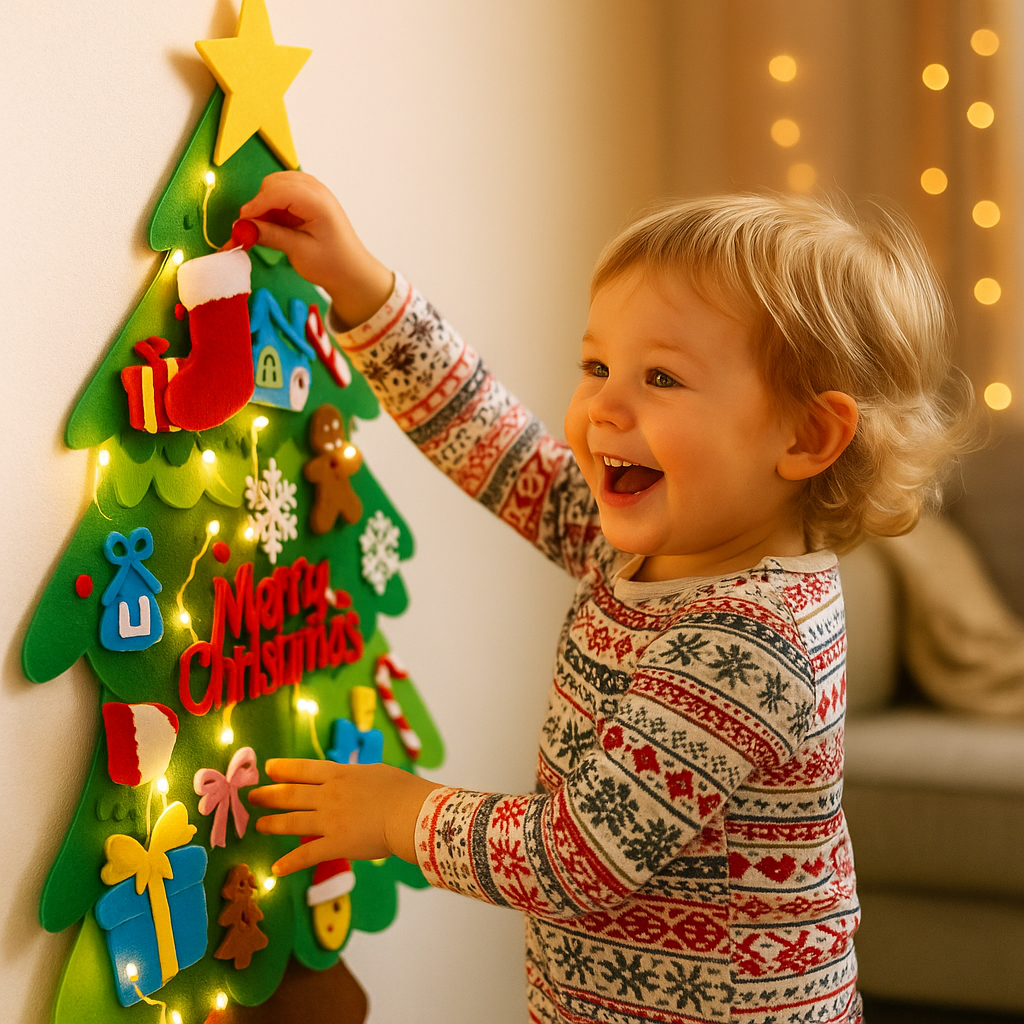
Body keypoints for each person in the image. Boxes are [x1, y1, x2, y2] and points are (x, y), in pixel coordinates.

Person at [246, 172, 973, 1023]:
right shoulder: (666, 544)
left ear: (807, 435)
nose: (600, 408)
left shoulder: (754, 643)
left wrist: (402, 815)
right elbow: (494, 443)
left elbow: (577, 859)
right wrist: (362, 287)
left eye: (660, 378)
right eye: (596, 365)